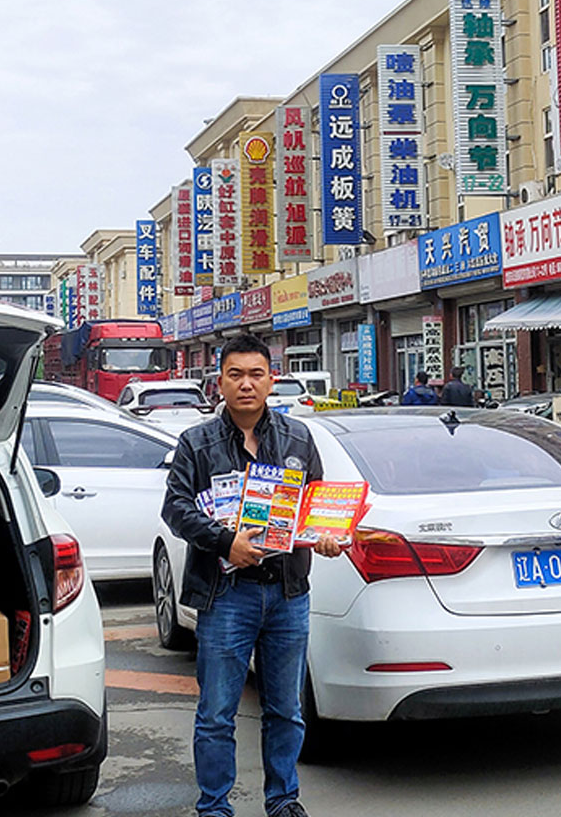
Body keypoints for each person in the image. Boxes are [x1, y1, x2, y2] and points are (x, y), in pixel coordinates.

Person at [161, 333, 343, 817]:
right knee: (217, 714)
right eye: (236, 375)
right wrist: (227, 543)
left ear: (271, 380)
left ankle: (283, 800)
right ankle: (215, 808)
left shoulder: (299, 439)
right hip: (226, 595)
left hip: (287, 594)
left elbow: (316, 508)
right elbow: (174, 509)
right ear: (219, 381)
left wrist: (325, 537)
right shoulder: (196, 444)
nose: (246, 385)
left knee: (286, 710)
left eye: (256, 375)